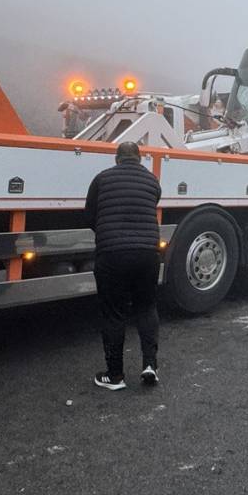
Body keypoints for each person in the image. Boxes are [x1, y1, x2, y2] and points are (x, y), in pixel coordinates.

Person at [84, 140, 163, 390]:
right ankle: (150, 364)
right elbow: (152, 206)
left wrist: (107, 233)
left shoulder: (102, 178)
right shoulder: (152, 181)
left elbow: (89, 213)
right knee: (146, 307)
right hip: (148, 254)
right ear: (140, 159)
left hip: (113, 255)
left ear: (117, 159)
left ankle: (115, 375)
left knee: (114, 312)